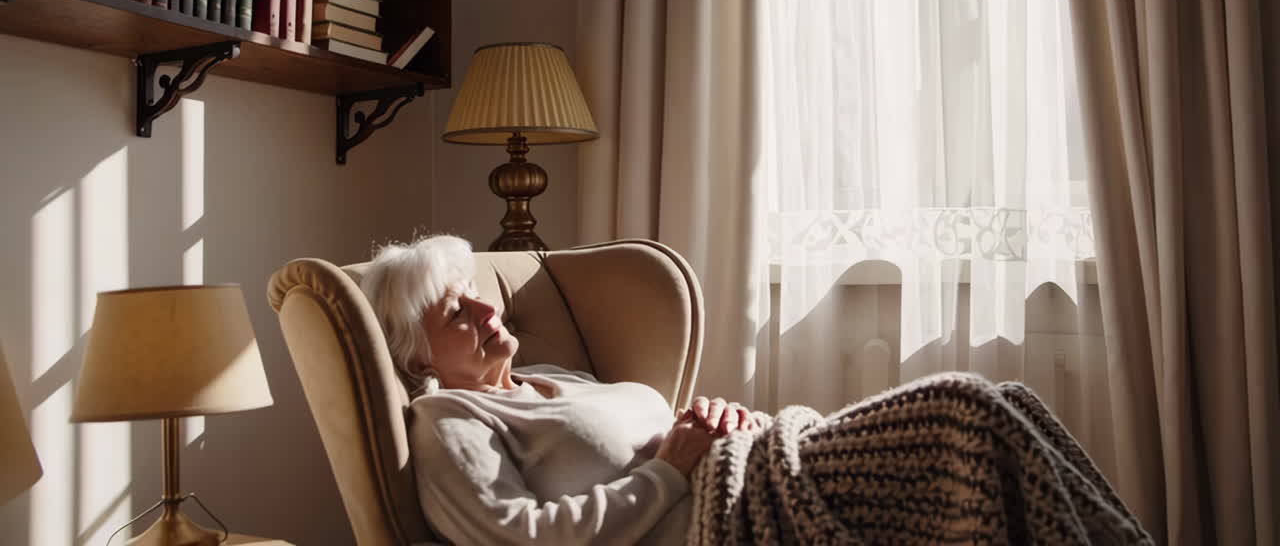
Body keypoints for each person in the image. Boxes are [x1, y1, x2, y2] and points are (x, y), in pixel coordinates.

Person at [361, 235, 1151, 545]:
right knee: (962, 409)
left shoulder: (550, 379)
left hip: (758, 457)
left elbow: (665, 429)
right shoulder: (449, 418)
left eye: (473, 290)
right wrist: (672, 467)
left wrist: (716, 422)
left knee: (1007, 401)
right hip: (725, 515)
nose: (480, 307)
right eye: (450, 311)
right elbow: (518, 537)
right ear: (417, 358)